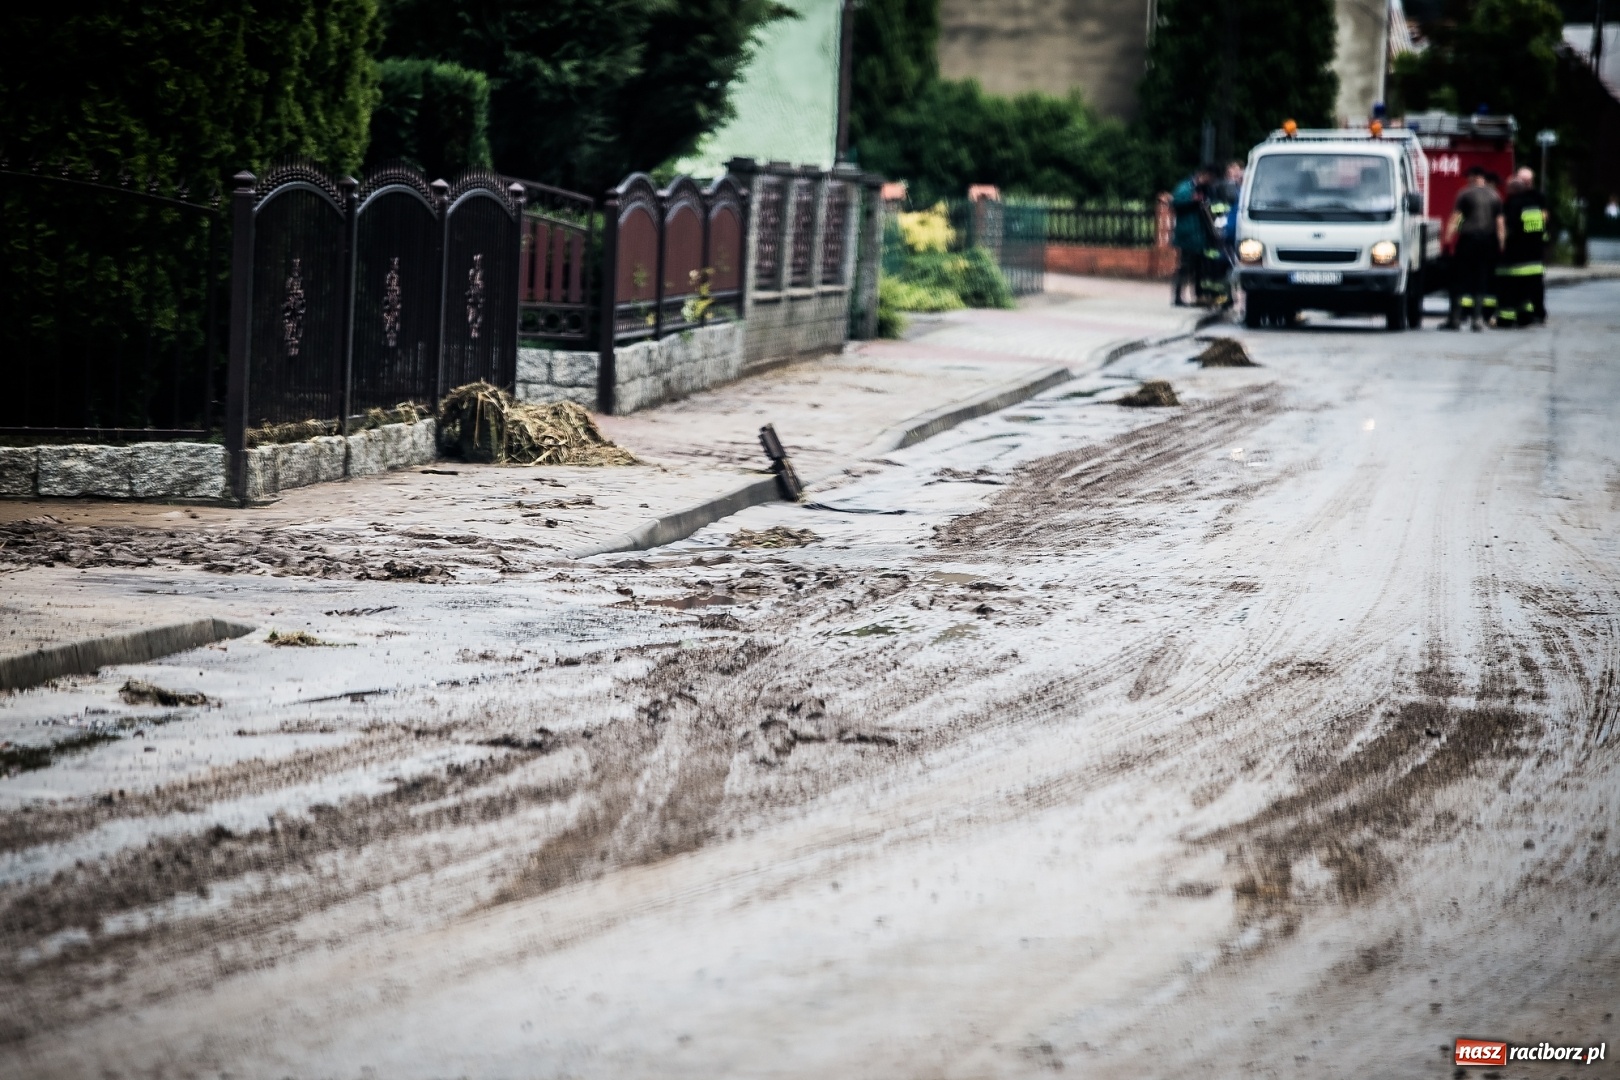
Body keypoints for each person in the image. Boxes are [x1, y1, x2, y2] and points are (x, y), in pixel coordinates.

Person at [1442, 167, 1504, 331]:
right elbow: (1499, 223)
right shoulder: (1495, 196)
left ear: (1475, 177)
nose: (1468, 180)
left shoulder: (1465, 194)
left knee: (1459, 278)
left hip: (1468, 241)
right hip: (1487, 242)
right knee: (1481, 279)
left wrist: (1448, 240)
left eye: (1469, 177)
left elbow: (1455, 218)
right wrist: (1501, 244)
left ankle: (1454, 319)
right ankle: (1477, 319)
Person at [1497, 166, 1549, 327]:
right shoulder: (1534, 205)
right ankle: (1526, 315)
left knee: (1509, 290)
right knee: (1528, 291)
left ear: (1512, 190)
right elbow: (1542, 226)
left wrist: (1501, 245)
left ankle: (1506, 319)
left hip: (1515, 258)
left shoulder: (1512, 205)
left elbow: (1509, 229)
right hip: (1534, 256)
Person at [1171, 164, 1217, 306]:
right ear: (1202, 175)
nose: (1210, 180)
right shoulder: (1185, 187)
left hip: (1199, 235)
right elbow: (1176, 202)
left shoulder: (1204, 189)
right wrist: (1193, 200)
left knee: (1199, 267)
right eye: (1209, 177)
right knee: (1185, 267)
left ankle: (1199, 295)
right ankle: (1178, 297)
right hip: (1188, 234)